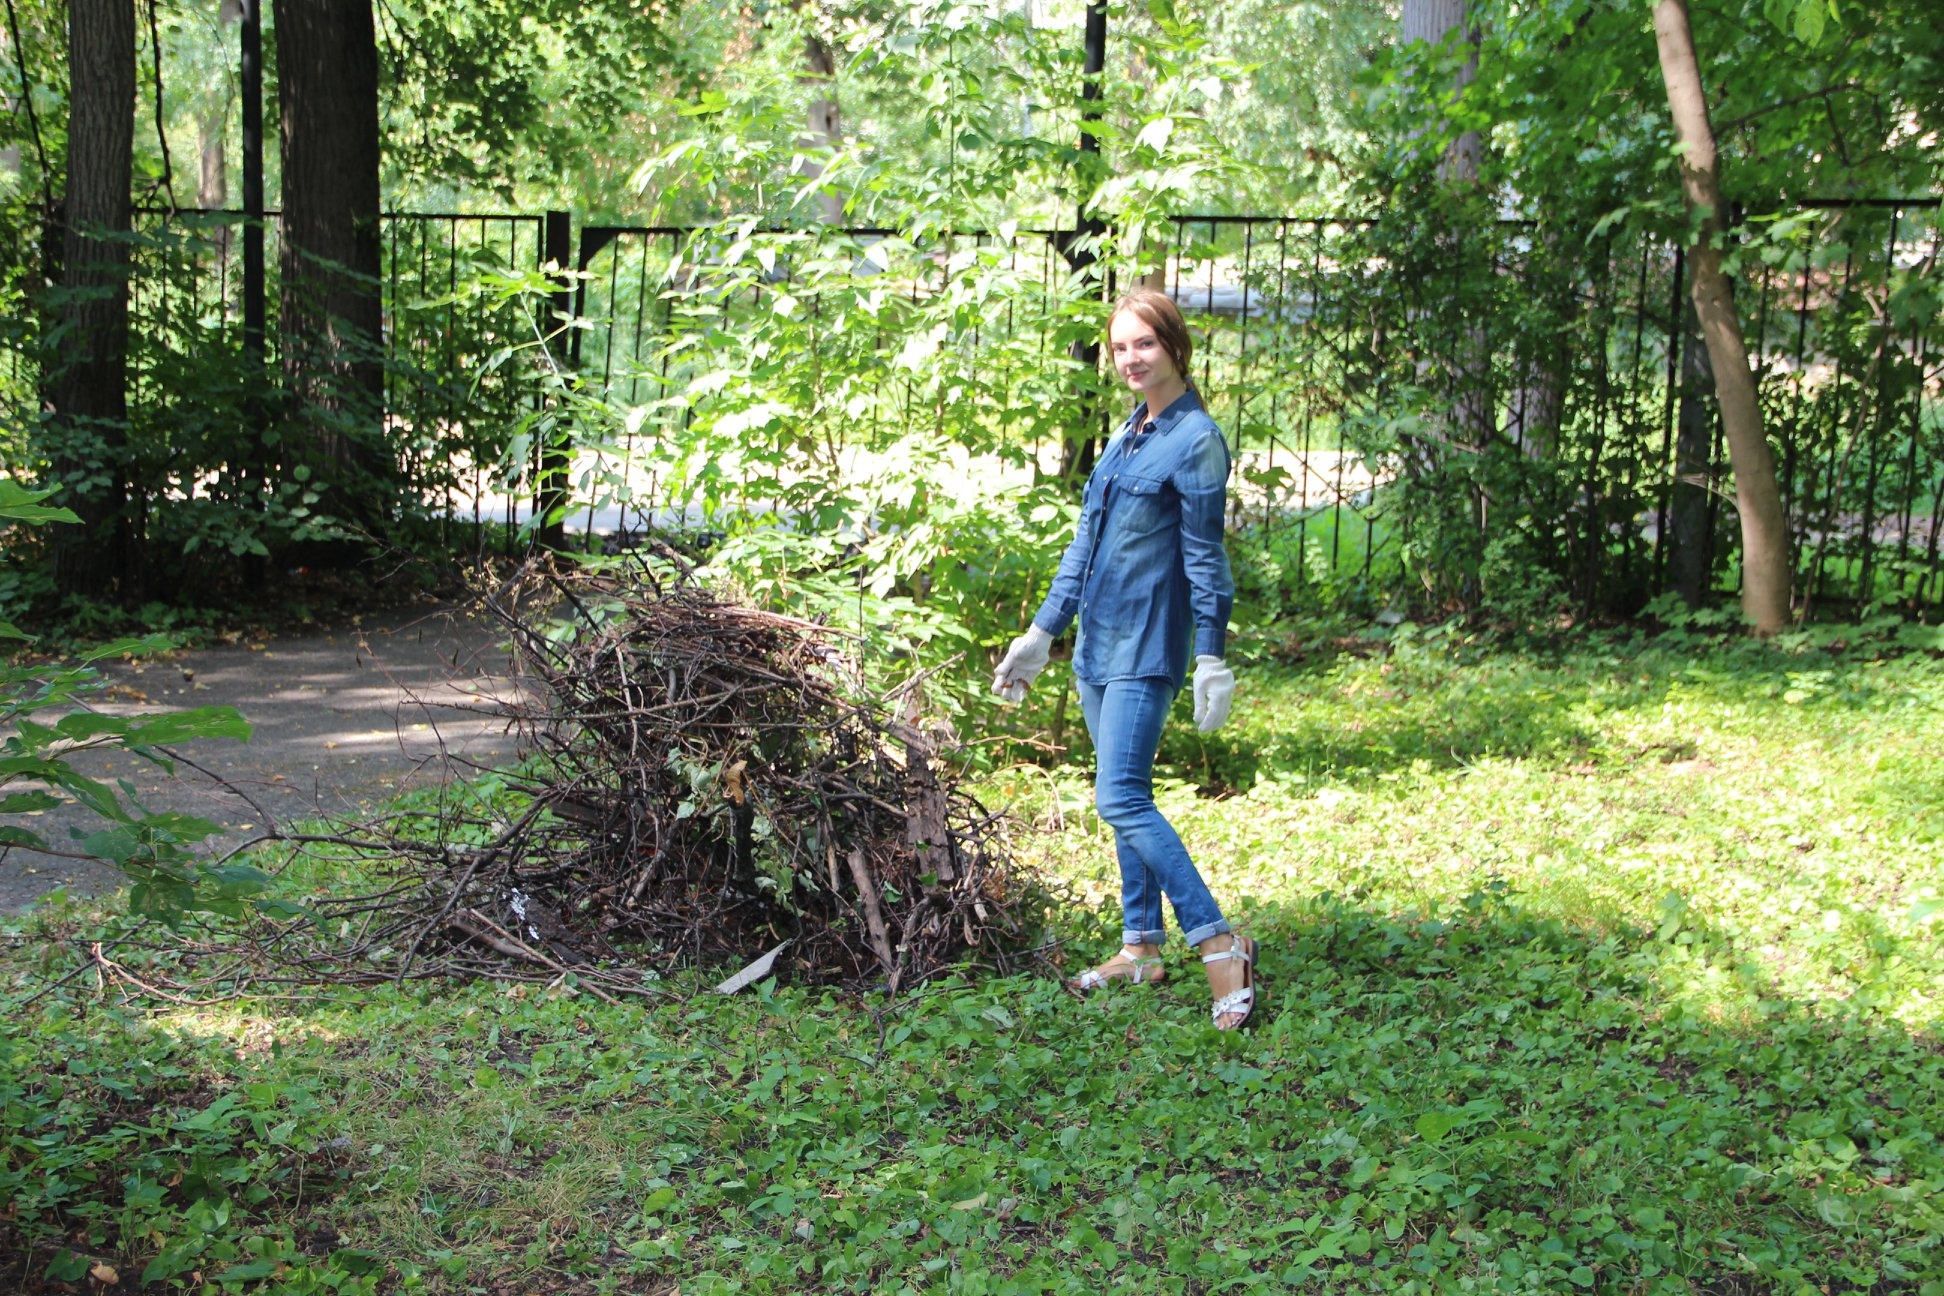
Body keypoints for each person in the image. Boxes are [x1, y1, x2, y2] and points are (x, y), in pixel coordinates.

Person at [992, 289, 1258, 1030]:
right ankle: (1140, 946)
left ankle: (1219, 942)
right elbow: (1087, 542)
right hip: (1096, 645)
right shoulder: (1126, 436)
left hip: (1146, 644)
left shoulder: (1196, 440)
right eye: (1119, 347)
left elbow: (1205, 558)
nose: (1130, 358)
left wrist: (1211, 656)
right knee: (1124, 796)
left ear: (1174, 346)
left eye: (1144, 343)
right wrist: (1042, 633)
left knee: (1120, 798)